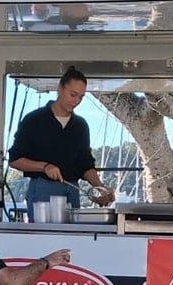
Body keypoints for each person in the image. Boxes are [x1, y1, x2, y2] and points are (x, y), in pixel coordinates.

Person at [8, 66, 114, 221]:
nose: (76, 101)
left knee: (72, 237)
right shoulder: (34, 120)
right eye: (73, 94)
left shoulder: (80, 126)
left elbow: (85, 164)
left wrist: (100, 187)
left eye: (81, 97)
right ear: (60, 88)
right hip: (43, 189)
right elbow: (15, 160)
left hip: (73, 190)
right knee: (44, 238)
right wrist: (44, 167)